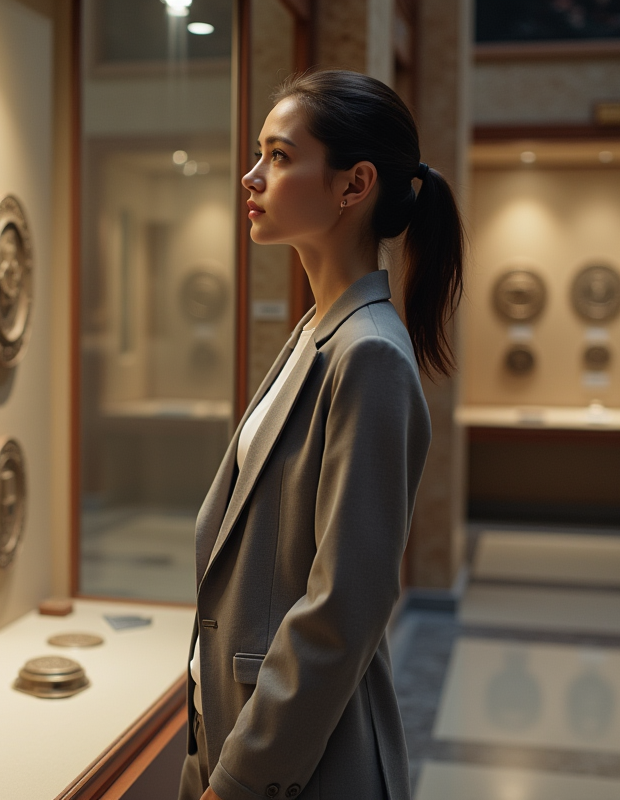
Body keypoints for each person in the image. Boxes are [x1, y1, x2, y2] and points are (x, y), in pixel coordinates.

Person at [178, 69, 464, 800]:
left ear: (353, 184)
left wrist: (240, 779)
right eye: (259, 154)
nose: (252, 176)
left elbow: (345, 607)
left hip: (306, 762)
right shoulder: (316, 332)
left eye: (278, 156)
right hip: (248, 727)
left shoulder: (368, 353)